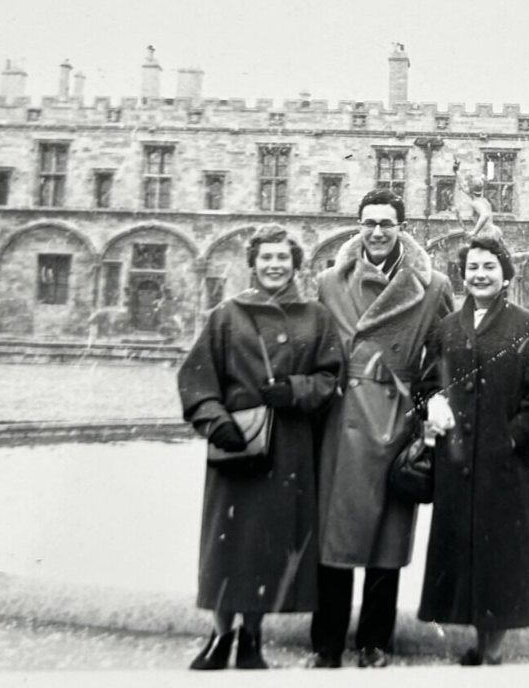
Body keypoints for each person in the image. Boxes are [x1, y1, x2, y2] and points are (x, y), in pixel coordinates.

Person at [177, 224, 343, 670]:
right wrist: (216, 421)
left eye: (282, 258)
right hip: (237, 446)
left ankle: (252, 637)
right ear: (253, 264)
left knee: (267, 547)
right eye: (266, 258)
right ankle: (219, 635)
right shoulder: (226, 316)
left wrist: (296, 390)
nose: (274, 265)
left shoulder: (316, 317)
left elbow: (332, 378)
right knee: (227, 545)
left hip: (288, 449)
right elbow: (196, 379)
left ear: (295, 264)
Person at [309, 189, 454, 668]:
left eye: (387, 223)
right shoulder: (330, 281)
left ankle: (375, 642)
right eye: (369, 222)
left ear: (401, 228)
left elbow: (446, 356)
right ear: (358, 226)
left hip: (395, 418)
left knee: (385, 536)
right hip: (341, 417)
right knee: (336, 533)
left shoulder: (432, 286)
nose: (376, 232)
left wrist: (433, 403)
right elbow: (314, 347)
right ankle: (327, 644)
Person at [418, 236, 529, 666]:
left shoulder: (527, 325)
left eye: (489, 267)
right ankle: (475, 639)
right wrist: (433, 403)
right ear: (463, 275)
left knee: (499, 554)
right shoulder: (447, 328)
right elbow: (426, 384)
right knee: (463, 551)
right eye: (473, 268)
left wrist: (510, 439)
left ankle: (492, 650)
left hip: (504, 468)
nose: (480, 275)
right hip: (457, 464)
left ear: (505, 276)